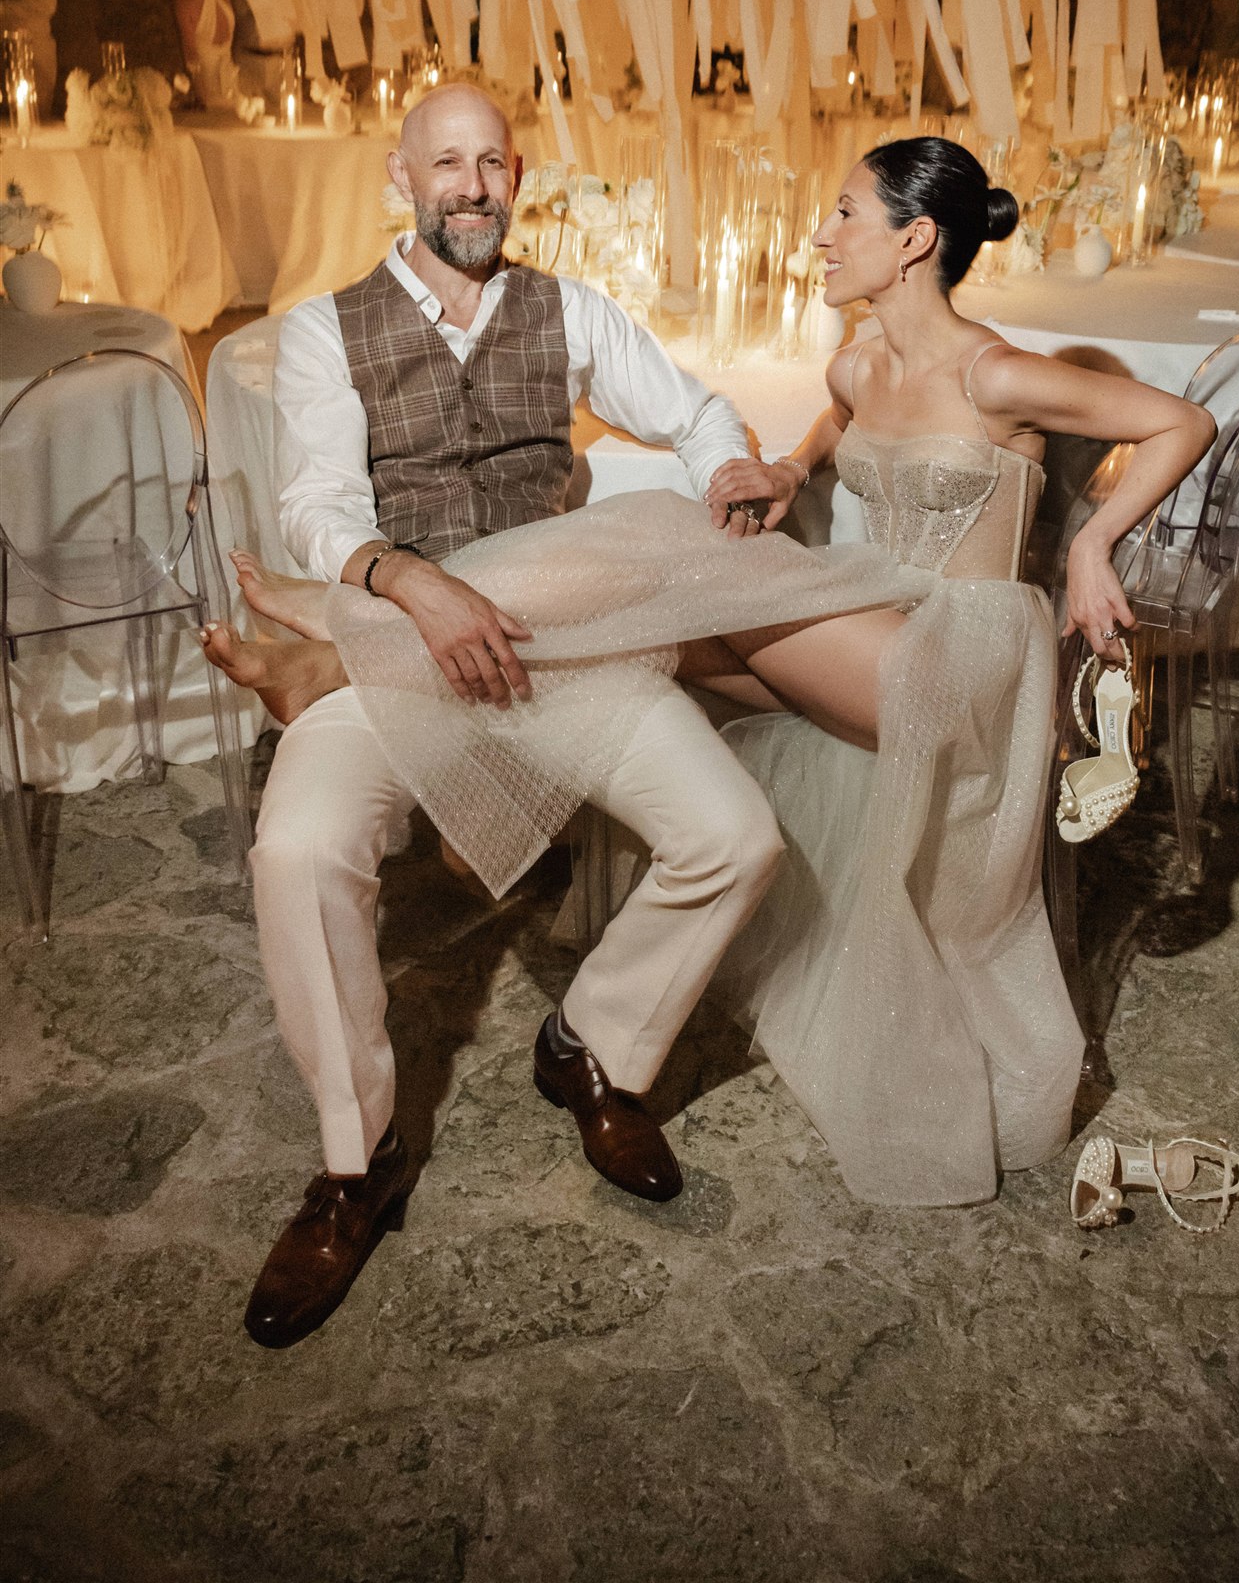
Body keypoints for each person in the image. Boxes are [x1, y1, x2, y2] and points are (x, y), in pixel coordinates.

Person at [209, 136, 1215, 1217]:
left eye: (841, 215)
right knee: (638, 626)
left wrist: (1090, 543)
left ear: (914, 239)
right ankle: (365, 651)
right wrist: (788, 465)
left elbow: (1180, 420)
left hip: (961, 662)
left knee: (655, 547)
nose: (818, 236)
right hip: (880, 626)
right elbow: (838, 430)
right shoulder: (857, 363)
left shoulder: (999, 370)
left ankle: (340, 636)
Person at [208, 80, 798, 1352]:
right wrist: (410, 579)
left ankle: (594, 1043)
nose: (469, 187)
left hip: (556, 652)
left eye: (490, 165)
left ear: (517, 175)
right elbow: (317, 505)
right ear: (399, 176)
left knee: (735, 835)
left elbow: (693, 407)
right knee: (298, 850)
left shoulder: (568, 309)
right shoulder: (326, 332)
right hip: (392, 648)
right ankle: (354, 1162)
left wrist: (728, 465)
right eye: (445, 165)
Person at [169, 0, 239, 108]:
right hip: (231, 82)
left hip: (205, 87)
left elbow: (190, 54)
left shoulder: (183, 3)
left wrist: (196, 96)